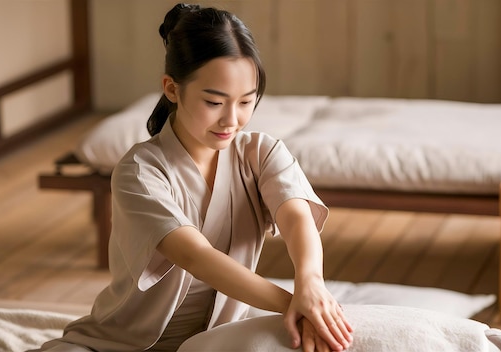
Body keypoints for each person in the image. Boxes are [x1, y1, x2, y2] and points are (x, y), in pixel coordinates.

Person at [31, 3, 352, 352]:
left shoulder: (262, 153)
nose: (232, 120)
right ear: (171, 88)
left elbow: (296, 217)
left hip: (218, 340)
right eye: (215, 103)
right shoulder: (140, 170)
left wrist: (311, 285)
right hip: (121, 344)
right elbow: (196, 256)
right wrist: (296, 306)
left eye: (246, 102)